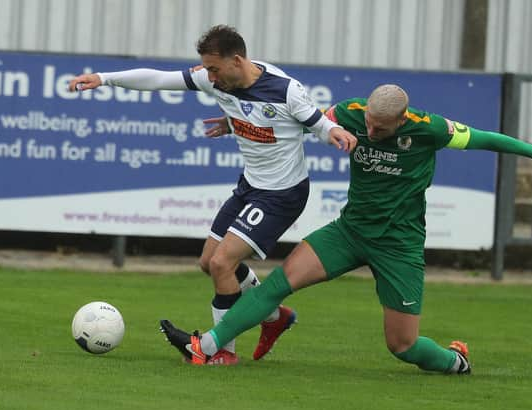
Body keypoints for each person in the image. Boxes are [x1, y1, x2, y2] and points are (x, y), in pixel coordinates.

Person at [160, 84, 532, 372]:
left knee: (402, 346)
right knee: (276, 285)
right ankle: (206, 347)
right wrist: (237, 125)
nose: (369, 133)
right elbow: (298, 122)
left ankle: (454, 360)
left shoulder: (430, 129)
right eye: (368, 125)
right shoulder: (352, 113)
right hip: (349, 232)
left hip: (399, 246)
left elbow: (487, 140)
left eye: (380, 129)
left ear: (402, 119)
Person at [68, 25, 357, 365]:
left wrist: (336, 131)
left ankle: (223, 352)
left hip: (282, 194)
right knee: (209, 262)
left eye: (215, 69)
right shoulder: (217, 77)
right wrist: (104, 78)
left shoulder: (285, 90)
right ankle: (274, 318)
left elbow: (320, 124)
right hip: (250, 186)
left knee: (223, 262)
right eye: (207, 69)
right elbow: (160, 80)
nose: (210, 77)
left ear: (237, 60)